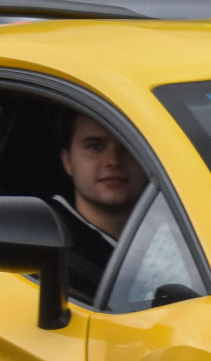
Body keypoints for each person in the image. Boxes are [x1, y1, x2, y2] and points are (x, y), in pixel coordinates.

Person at [51, 108, 148, 294]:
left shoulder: (193, 230)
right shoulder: (47, 244)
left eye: (129, 145)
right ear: (67, 161)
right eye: (95, 146)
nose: (113, 160)